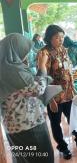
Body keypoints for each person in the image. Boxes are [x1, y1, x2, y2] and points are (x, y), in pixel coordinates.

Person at [0, 33, 54, 163]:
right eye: (25, 51)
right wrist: (42, 67)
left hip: (13, 128)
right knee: (42, 158)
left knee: (24, 159)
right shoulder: (14, 72)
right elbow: (38, 89)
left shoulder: (5, 69)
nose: (27, 55)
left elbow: (26, 88)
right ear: (15, 51)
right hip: (29, 126)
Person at [38, 25, 77, 160]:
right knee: (56, 123)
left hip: (68, 93)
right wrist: (50, 100)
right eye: (57, 37)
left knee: (73, 118)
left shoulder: (63, 50)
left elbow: (68, 69)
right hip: (54, 96)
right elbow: (43, 77)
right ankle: (63, 147)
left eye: (62, 37)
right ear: (49, 38)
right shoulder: (44, 53)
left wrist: (73, 88)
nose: (60, 40)